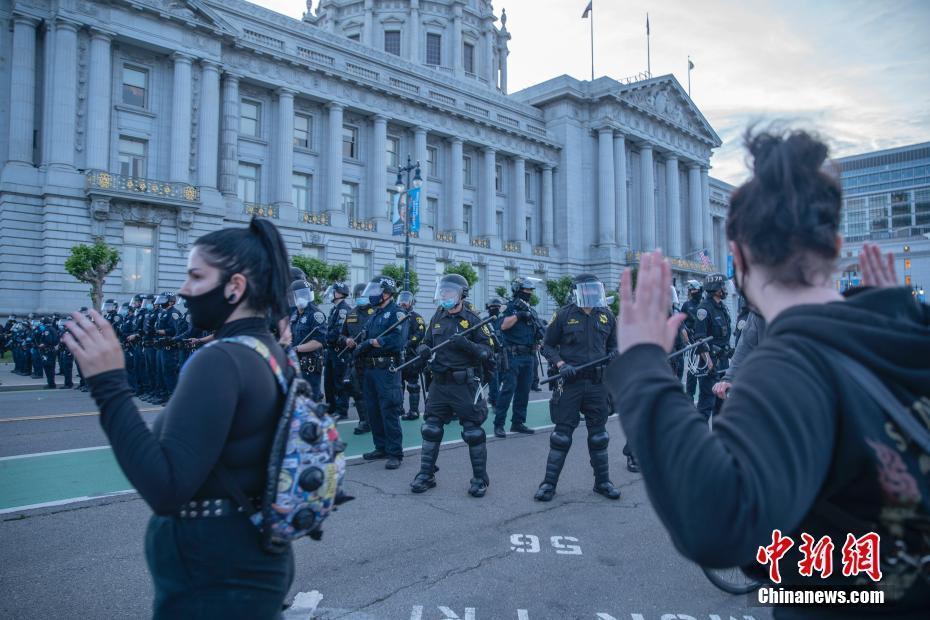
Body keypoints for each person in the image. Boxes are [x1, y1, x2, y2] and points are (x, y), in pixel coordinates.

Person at [606, 128, 930, 617]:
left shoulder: (789, 363)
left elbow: (718, 524)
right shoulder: (906, 336)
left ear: (736, 255)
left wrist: (643, 366)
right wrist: (893, 309)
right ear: (836, 247)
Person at [62, 217, 298, 618]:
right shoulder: (266, 350)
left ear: (234, 286)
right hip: (244, 558)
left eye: (195, 276)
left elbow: (167, 488)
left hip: (215, 579)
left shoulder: (221, 360)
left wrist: (109, 384)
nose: (184, 290)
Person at [535, 274, 621, 501]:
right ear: (577, 292)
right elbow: (547, 346)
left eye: (595, 290)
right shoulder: (563, 315)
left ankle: (602, 483)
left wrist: (614, 354)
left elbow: (614, 345)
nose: (592, 294)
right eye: (587, 290)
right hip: (570, 383)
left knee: (599, 436)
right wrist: (561, 364)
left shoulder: (607, 316)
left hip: (597, 384)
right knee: (561, 437)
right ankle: (548, 485)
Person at [410, 274, 494, 497]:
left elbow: (488, 352)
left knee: (473, 432)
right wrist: (422, 350)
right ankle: (426, 475)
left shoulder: (474, 320)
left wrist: (466, 344)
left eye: (449, 292)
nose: (444, 296)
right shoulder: (438, 316)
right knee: (430, 428)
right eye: (443, 292)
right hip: (439, 383)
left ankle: (479, 479)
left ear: (461, 295)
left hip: (464, 384)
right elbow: (427, 342)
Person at [357, 276, 408, 469]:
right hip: (370, 369)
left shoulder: (397, 313)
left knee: (389, 410)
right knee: (373, 410)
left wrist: (373, 343)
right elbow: (366, 339)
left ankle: (395, 452)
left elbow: (397, 342)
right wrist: (367, 344)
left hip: (387, 369)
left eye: (376, 291)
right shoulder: (374, 315)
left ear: (387, 293)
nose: (372, 295)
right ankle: (381, 447)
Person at [494, 277, 542, 437]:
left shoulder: (531, 309)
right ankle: (499, 424)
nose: (529, 293)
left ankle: (518, 422)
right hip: (512, 355)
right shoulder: (510, 307)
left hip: (529, 355)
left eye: (530, 291)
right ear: (518, 290)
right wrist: (519, 315)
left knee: (524, 391)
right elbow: (502, 325)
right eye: (526, 290)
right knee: (508, 390)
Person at [693, 272, 732, 419]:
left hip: (723, 363)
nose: (724, 289)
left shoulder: (722, 307)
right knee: (706, 407)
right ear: (715, 288)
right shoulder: (704, 309)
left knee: (721, 408)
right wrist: (711, 367)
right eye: (722, 286)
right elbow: (700, 342)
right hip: (710, 365)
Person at [339, 283, 375, 435]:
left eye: (363, 295)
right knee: (358, 392)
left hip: (372, 359)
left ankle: (375, 421)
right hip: (356, 359)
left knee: (374, 393)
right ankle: (364, 421)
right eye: (358, 295)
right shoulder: (351, 313)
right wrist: (346, 340)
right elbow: (342, 335)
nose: (361, 298)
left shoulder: (376, 312)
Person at [288, 279, 328, 402]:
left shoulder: (316, 314)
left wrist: (296, 349)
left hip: (310, 365)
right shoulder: (295, 314)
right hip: (296, 364)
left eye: (304, 294)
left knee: (310, 400)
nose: (301, 297)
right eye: (299, 294)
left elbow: (319, 342)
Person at [398, 290, 426, 421]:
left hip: (411, 355)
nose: (403, 303)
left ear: (411, 303)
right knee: (398, 384)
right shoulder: (396, 316)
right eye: (401, 300)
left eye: (406, 300)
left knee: (413, 384)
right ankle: (399, 408)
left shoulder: (416, 317)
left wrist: (408, 343)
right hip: (397, 355)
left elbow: (420, 333)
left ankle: (414, 411)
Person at [323, 282, 351, 415]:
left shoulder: (343, 309)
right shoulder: (334, 309)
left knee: (339, 381)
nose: (330, 294)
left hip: (339, 351)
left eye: (333, 291)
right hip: (331, 350)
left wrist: (325, 338)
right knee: (328, 381)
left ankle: (341, 410)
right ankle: (331, 407)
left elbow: (337, 331)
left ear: (339, 293)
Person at [679, 280, 702, 399]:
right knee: (692, 370)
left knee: (704, 370)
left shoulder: (704, 304)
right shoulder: (686, 305)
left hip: (703, 341)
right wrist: (684, 332)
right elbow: (680, 321)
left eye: (695, 290)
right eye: (691, 290)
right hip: (692, 342)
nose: (693, 292)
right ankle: (689, 397)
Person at [483, 298, 505, 415]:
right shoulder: (484, 321)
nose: (494, 309)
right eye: (492, 307)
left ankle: (493, 397)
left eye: (497, 307)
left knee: (501, 378)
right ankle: (495, 401)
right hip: (490, 354)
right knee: (493, 379)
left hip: (503, 352)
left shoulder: (503, 320)